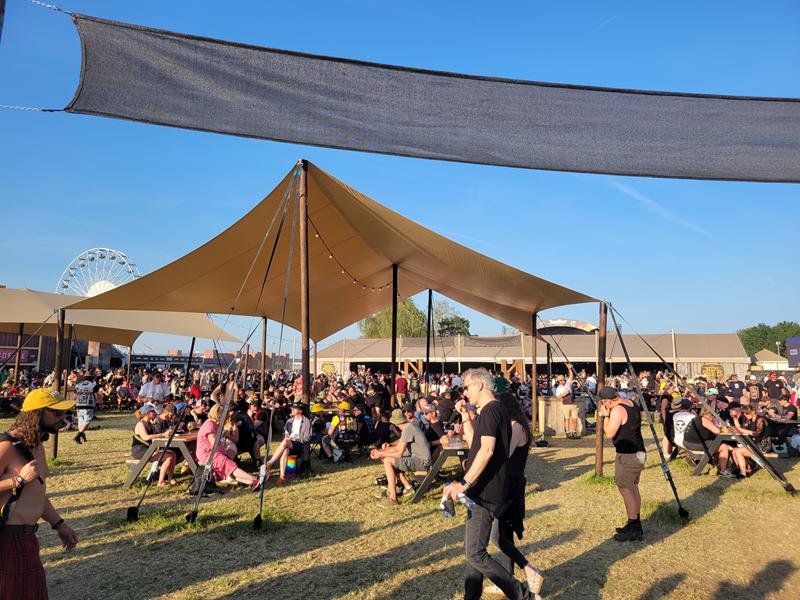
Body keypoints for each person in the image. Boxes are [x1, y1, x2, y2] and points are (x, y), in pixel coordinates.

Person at [444, 368, 531, 600]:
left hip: (485, 491)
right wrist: (465, 416)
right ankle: (471, 596)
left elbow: (487, 450)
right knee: (473, 550)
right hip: (481, 489)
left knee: (475, 553)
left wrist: (463, 483)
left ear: (479, 385)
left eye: (467, 387)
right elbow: (476, 443)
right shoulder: (490, 411)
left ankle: (523, 595)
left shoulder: (492, 410)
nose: (465, 393)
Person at [1, 388, 79, 599]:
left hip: (27, 537)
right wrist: (18, 480)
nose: (62, 417)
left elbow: (36, 493)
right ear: (36, 413)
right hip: (7, 538)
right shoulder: (7, 446)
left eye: (64, 412)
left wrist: (59, 524)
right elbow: (24, 484)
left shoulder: (36, 446)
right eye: (56, 412)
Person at [486, 393, 544, 597]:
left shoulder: (516, 427)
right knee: (505, 534)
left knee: (497, 537)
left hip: (509, 486)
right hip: (510, 484)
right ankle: (507, 580)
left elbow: (504, 455)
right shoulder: (516, 425)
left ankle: (529, 569)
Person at [597, 386, 646, 542]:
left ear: (607, 401)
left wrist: (605, 416)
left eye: (603, 402)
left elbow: (610, 433)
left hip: (628, 455)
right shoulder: (631, 403)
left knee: (625, 489)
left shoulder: (617, 410)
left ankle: (634, 526)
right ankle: (635, 523)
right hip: (638, 452)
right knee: (633, 487)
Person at [370, 408, 430, 506]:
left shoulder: (407, 429)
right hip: (420, 459)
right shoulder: (409, 427)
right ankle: (395, 489)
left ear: (394, 423)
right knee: (387, 458)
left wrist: (381, 454)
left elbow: (399, 453)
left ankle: (393, 498)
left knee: (388, 460)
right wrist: (381, 451)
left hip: (421, 461)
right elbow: (398, 447)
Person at [196, 404, 258, 488]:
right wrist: (224, 451)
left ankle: (251, 482)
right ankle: (255, 479)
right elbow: (215, 444)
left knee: (229, 468)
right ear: (217, 414)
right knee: (231, 467)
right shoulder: (209, 425)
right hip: (208, 454)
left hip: (212, 452)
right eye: (223, 415)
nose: (225, 417)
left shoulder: (213, 424)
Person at [131, 404, 177, 486]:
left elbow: (156, 434)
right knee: (169, 456)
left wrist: (156, 426)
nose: (155, 413)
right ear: (148, 413)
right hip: (139, 450)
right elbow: (146, 437)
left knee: (173, 454)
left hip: (149, 449)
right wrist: (163, 434)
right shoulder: (141, 424)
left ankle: (170, 479)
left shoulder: (150, 423)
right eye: (153, 411)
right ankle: (161, 482)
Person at [266, 403, 311, 485]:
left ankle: (270, 463)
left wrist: (294, 439)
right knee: (285, 450)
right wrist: (286, 437)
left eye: (294, 409)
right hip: (289, 443)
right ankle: (282, 477)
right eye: (292, 408)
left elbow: (307, 438)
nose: (292, 410)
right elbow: (284, 434)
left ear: (300, 411)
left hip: (300, 444)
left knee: (286, 441)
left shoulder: (306, 421)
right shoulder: (289, 421)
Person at [72, 375, 97, 445]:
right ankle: (78, 436)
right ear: (91, 379)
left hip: (79, 405)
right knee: (87, 420)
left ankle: (82, 436)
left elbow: (74, 396)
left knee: (80, 421)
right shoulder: (93, 385)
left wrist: (72, 403)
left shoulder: (78, 385)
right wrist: (99, 401)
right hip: (89, 404)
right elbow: (96, 395)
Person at [555, 364, 578, 439]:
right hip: (566, 404)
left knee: (574, 419)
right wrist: (564, 394)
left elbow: (571, 375)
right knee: (567, 419)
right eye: (560, 381)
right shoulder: (558, 388)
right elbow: (557, 397)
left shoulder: (568, 382)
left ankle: (574, 432)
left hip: (573, 403)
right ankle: (568, 432)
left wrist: (569, 368)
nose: (561, 382)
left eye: (562, 380)